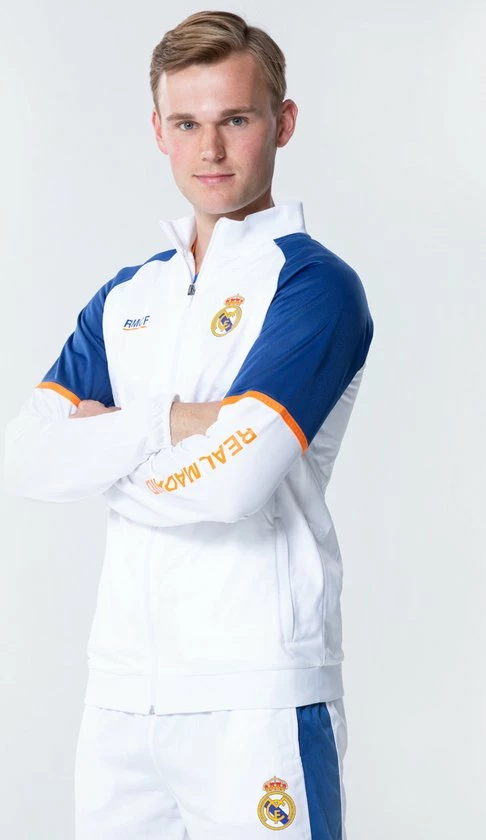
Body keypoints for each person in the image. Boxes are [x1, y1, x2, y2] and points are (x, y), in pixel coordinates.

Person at [5, 10, 373, 839]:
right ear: (158, 131)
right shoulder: (128, 296)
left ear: (282, 122)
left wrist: (101, 456)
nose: (210, 149)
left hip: (256, 696)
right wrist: (167, 421)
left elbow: (233, 486)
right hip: (120, 700)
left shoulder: (313, 287)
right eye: (186, 124)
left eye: (235, 120)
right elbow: (23, 456)